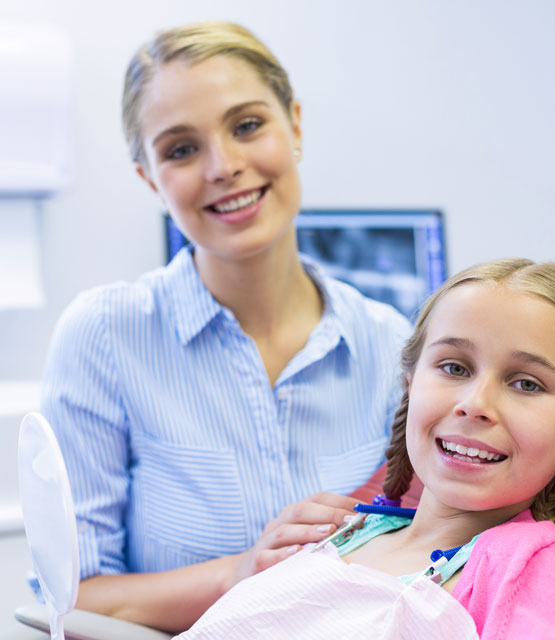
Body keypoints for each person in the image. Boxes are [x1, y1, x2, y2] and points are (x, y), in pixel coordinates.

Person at [38, 21, 411, 633]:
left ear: (294, 125)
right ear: (149, 180)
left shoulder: (391, 345)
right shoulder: (103, 336)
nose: (224, 166)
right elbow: (68, 595)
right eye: (181, 149)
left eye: (247, 126)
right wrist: (237, 575)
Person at [177, 258, 555, 639]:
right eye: (455, 368)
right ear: (410, 384)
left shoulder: (536, 570)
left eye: (526, 384)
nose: (474, 405)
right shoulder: (344, 533)